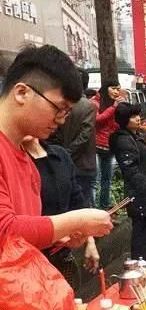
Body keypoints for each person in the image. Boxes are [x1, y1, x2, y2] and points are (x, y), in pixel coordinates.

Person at [0, 44, 113, 249]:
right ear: (22, 93)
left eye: (67, 112)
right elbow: (6, 232)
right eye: (59, 108)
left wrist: (56, 235)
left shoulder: (25, 158)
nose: (61, 120)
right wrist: (77, 220)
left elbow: (21, 239)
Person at [22, 136, 99, 288]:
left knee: (71, 305)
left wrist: (89, 242)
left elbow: (77, 201)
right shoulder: (15, 162)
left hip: (63, 257)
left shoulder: (60, 154)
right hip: (31, 264)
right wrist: (56, 233)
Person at [110, 103, 146, 264]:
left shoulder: (134, 136)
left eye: (137, 115)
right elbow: (131, 170)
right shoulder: (123, 140)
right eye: (133, 116)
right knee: (143, 230)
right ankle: (142, 264)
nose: (138, 118)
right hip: (140, 194)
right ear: (125, 120)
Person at [50, 67, 97, 207]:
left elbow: (55, 132)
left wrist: (63, 152)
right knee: (84, 204)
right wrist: (68, 153)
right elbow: (85, 134)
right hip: (83, 163)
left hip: (63, 161)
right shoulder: (89, 106)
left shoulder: (59, 104)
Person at [92, 82, 124, 209]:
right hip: (96, 146)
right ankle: (92, 208)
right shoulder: (95, 103)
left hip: (109, 146)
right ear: (105, 89)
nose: (116, 92)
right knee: (95, 180)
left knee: (107, 179)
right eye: (113, 88)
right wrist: (113, 108)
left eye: (118, 89)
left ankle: (104, 205)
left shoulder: (114, 104)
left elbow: (115, 125)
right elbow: (97, 120)